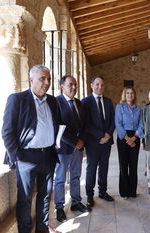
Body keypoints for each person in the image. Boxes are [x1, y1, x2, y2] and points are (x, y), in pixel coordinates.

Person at [1, 65, 60, 233]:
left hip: (48, 155)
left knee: (45, 196)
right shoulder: (17, 99)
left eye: (48, 79)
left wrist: (56, 139)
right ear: (31, 79)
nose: (47, 82)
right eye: (42, 78)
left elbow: (55, 124)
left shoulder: (52, 100)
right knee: (25, 199)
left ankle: (42, 230)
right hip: (26, 157)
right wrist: (17, 157)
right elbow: (7, 131)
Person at [54, 75, 88, 223]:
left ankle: (75, 202)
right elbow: (57, 127)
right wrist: (75, 142)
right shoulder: (56, 102)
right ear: (62, 86)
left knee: (75, 176)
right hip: (63, 149)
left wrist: (82, 141)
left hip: (78, 149)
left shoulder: (79, 104)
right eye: (70, 85)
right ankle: (60, 207)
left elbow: (85, 125)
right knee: (60, 179)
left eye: (75, 84)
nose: (73, 87)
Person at [82, 76, 115, 207]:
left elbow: (112, 120)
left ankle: (103, 192)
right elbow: (86, 123)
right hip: (92, 142)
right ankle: (90, 195)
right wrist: (100, 136)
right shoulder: (85, 102)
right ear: (91, 85)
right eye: (97, 85)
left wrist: (108, 134)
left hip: (106, 142)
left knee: (104, 168)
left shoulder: (108, 101)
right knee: (91, 169)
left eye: (102, 85)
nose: (100, 87)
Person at [115, 87, 144, 199]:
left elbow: (141, 124)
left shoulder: (138, 109)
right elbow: (118, 123)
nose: (129, 95)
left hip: (135, 136)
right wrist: (127, 138)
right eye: (127, 93)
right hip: (123, 137)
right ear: (124, 95)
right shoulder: (120, 107)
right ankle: (124, 192)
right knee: (123, 165)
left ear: (134, 95)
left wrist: (134, 138)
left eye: (132, 93)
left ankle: (132, 191)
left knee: (133, 165)